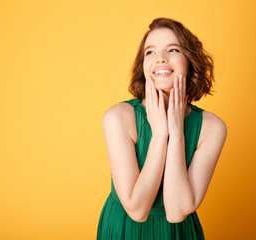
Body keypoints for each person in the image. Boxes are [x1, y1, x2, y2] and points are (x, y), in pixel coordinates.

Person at [97, 17, 227, 240]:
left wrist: (176, 133)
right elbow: (137, 210)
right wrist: (159, 134)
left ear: (189, 60)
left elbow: (176, 212)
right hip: (124, 230)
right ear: (143, 66)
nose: (160, 59)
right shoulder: (118, 118)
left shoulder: (212, 127)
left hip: (179, 233)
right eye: (150, 52)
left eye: (173, 49)